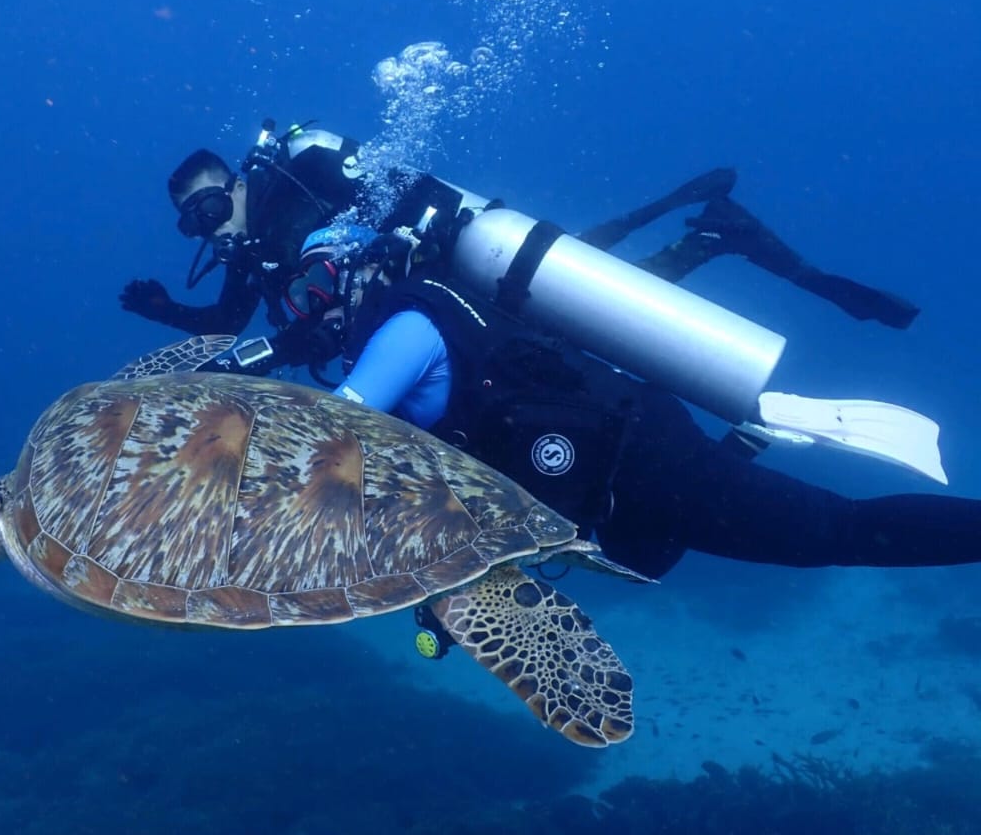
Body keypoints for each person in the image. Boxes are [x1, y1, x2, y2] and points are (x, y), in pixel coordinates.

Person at [245, 225, 979, 581]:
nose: (312, 313)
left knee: (834, 534)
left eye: (315, 289)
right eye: (295, 304)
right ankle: (742, 445)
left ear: (358, 270)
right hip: (611, 487)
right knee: (682, 555)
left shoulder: (407, 324)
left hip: (642, 460)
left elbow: (334, 434)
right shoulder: (412, 328)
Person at [118, 121, 919, 344]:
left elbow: (409, 186)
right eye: (192, 221)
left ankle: (707, 235)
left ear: (235, 182)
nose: (207, 228)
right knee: (582, 306)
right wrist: (166, 311)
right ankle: (704, 231)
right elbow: (226, 324)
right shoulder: (254, 252)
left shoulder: (302, 172)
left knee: (582, 313)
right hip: (434, 305)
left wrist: (372, 248)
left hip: (456, 257)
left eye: (208, 207)